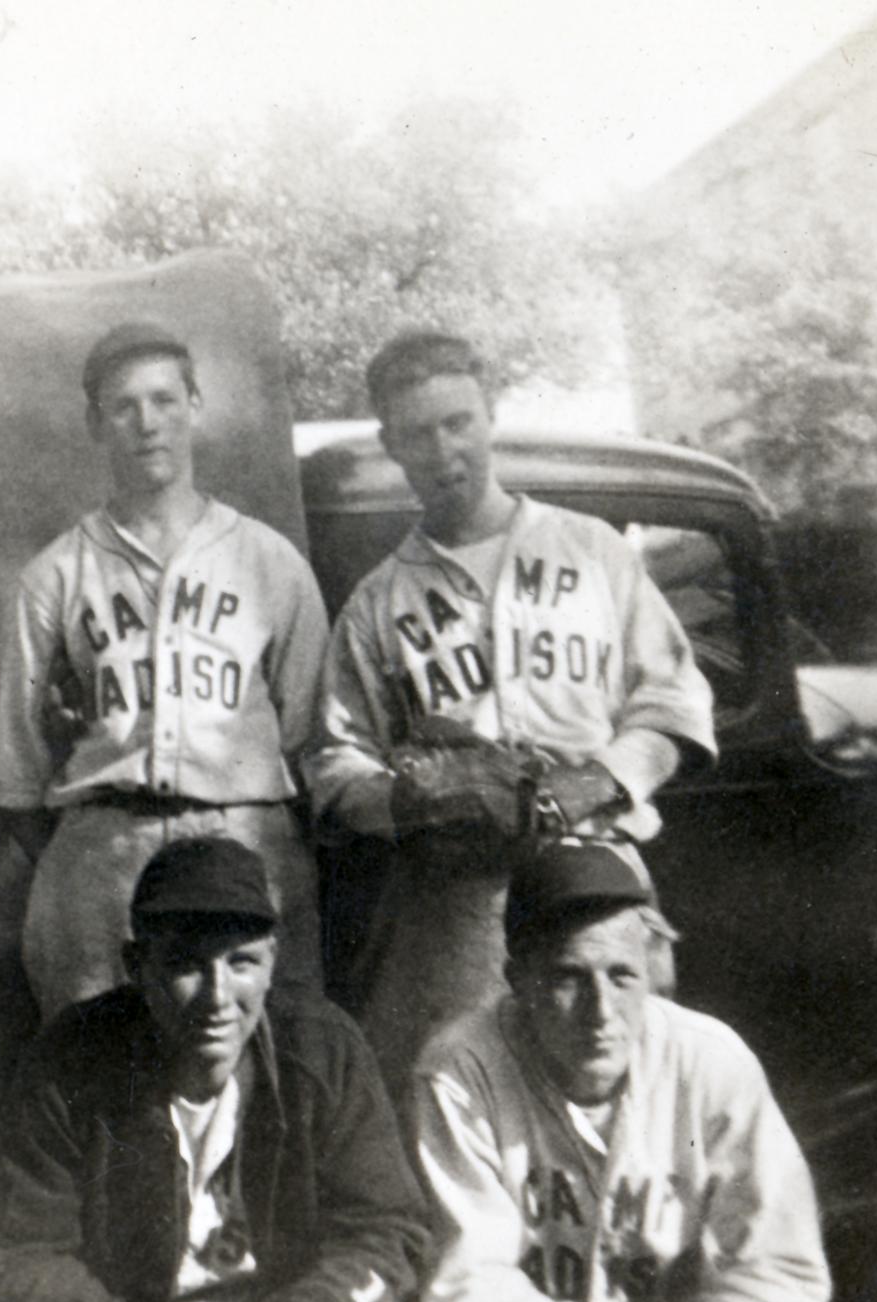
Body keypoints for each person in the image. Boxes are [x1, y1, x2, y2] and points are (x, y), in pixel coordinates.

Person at [305, 330, 716, 1087]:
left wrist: (600, 779)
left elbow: (671, 700)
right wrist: (411, 802)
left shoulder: (590, 551)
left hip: (595, 868)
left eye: (457, 421)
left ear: (489, 414)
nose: (443, 450)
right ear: (391, 445)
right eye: (418, 433)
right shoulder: (378, 600)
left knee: (625, 1089)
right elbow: (334, 758)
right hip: (455, 904)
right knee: (457, 1087)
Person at [0, 837, 444, 1302]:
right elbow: (24, 1256)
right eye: (185, 964)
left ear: (273, 961)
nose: (218, 996)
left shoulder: (324, 1049)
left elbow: (389, 1227)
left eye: (241, 962)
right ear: (136, 964)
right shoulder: (70, 1058)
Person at [410, 842, 862, 1302]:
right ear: (517, 979)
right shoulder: (461, 1070)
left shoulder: (709, 1059)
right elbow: (465, 1287)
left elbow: (782, 1270)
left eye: (622, 976)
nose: (601, 1012)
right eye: (568, 977)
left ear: (649, 973)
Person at [0, 323, 330, 1024]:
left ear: (195, 406)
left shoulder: (267, 560)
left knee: (263, 1046)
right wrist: (92, 844)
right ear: (95, 422)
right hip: (105, 845)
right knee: (93, 1054)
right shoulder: (55, 573)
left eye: (164, 400)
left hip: (242, 831)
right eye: (124, 406)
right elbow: (18, 774)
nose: (146, 423)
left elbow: (311, 737)